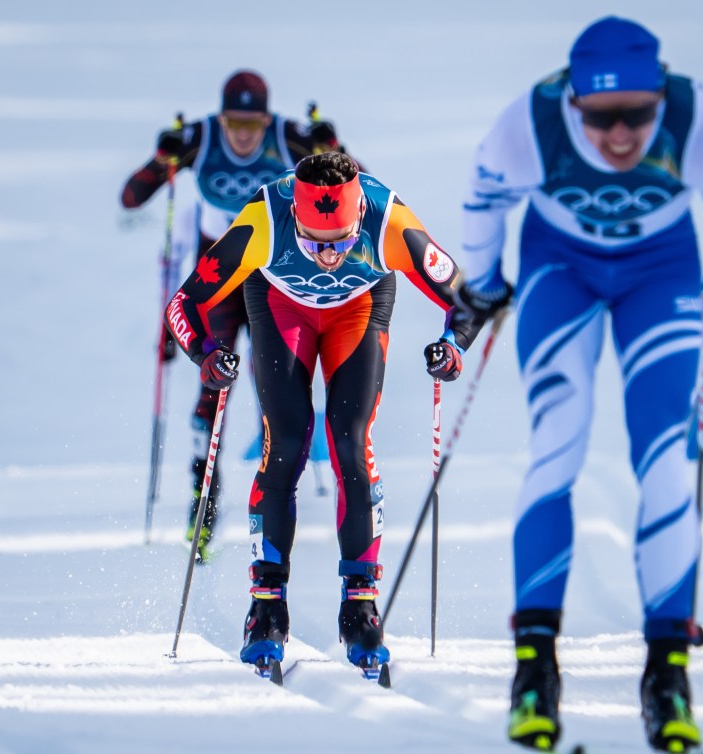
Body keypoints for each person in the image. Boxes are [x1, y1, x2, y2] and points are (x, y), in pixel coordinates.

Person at [461, 16, 703, 753]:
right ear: (574, 102)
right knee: (557, 449)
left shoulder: (699, 122)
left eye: (638, 113)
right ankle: (535, 669)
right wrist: (483, 283)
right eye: (600, 117)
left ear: (662, 98)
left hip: (658, 272)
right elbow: (482, 200)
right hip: (557, 267)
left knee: (664, 459)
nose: (621, 134)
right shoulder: (529, 125)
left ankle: (668, 674)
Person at [164, 151, 505, 677]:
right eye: (314, 243)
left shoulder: (388, 221)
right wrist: (206, 355)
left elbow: (466, 300)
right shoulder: (261, 220)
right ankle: (266, 605)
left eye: (342, 243)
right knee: (287, 445)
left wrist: (453, 346)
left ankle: (361, 603)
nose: (327, 256)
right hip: (281, 305)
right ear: (295, 219)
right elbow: (182, 306)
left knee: (350, 442)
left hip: (359, 309)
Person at [121, 70, 352, 561]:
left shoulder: (289, 137)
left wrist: (331, 146)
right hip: (219, 274)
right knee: (214, 382)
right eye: (234, 121)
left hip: (272, 275)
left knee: (276, 385)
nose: (243, 133)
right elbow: (132, 197)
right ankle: (201, 501)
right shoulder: (200, 139)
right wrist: (164, 158)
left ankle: (276, 496)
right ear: (221, 116)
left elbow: (357, 192)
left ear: (266, 118)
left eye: (252, 122)